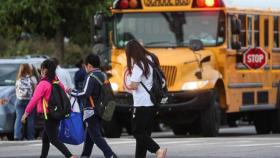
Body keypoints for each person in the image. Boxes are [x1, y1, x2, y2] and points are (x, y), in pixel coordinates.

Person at [21, 59, 76, 158]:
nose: (40, 71)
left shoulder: (43, 84)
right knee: (46, 138)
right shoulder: (56, 80)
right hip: (57, 113)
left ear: (45, 70)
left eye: (41, 69)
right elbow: (64, 91)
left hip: (49, 114)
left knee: (53, 139)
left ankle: (70, 156)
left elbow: (34, 99)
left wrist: (26, 113)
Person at [125, 40, 167, 158]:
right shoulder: (151, 58)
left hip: (141, 104)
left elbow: (134, 85)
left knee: (137, 132)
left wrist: (128, 79)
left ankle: (158, 150)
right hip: (152, 103)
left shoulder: (139, 64)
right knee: (144, 135)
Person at [70, 54, 117, 158]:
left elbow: (85, 93)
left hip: (91, 110)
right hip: (102, 109)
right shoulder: (103, 75)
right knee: (89, 135)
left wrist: (72, 92)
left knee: (95, 135)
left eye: (85, 66)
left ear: (89, 65)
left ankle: (110, 155)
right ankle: (85, 155)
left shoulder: (91, 77)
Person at [14, 63, 36, 140]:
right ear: (28, 69)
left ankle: (17, 136)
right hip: (29, 101)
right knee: (30, 119)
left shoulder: (18, 78)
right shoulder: (32, 78)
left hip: (19, 100)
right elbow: (35, 90)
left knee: (19, 117)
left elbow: (16, 90)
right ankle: (30, 137)